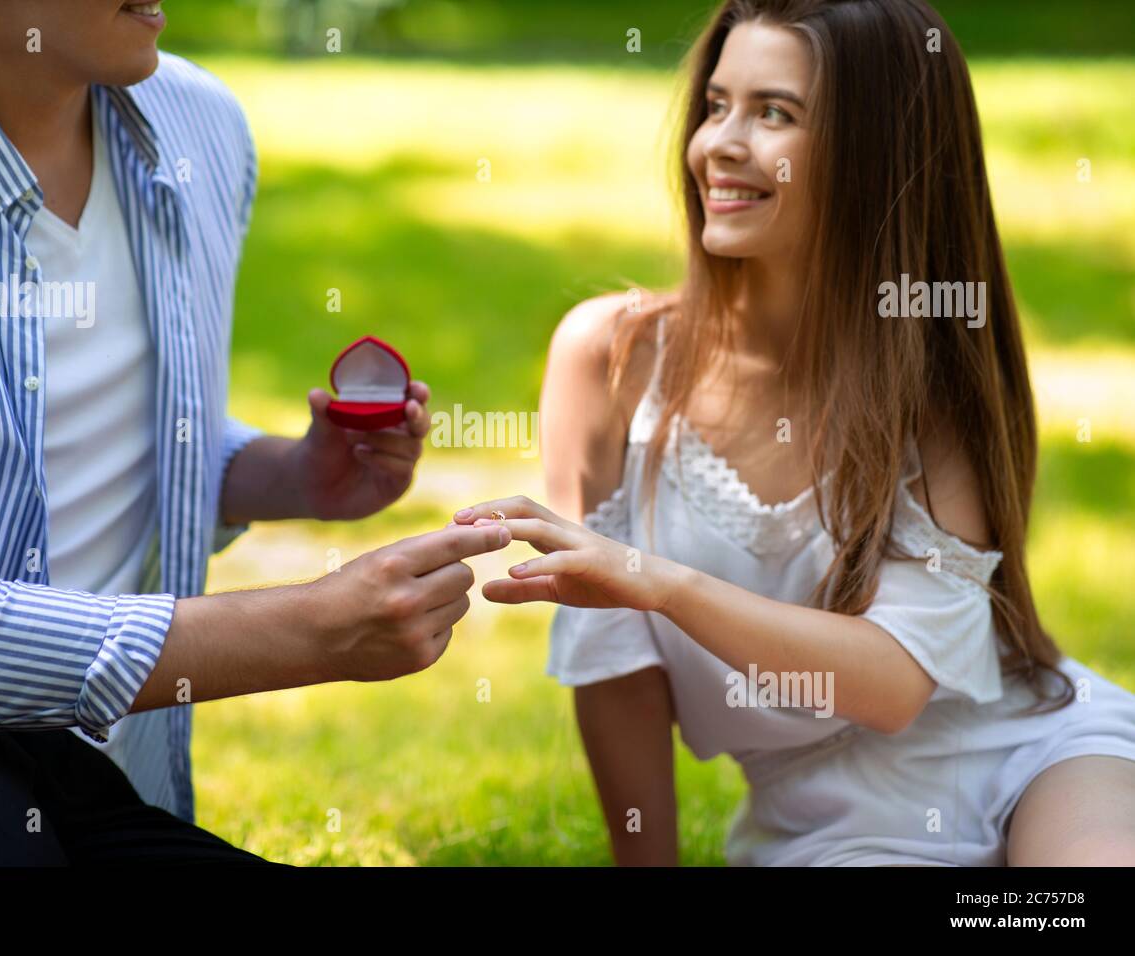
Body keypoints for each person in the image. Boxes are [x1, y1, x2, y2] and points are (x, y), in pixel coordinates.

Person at [453, 0, 1135, 866]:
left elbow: (891, 685)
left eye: (774, 112)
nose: (719, 145)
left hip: (1040, 756)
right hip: (826, 835)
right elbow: (613, 663)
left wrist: (656, 582)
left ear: (877, 156)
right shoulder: (613, 357)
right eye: (716, 104)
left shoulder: (935, 384)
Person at [0, 0, 509, 865]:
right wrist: (313, 629)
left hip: (100, 777)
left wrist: (286, 475)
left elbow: (81, 442)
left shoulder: (202, 128)